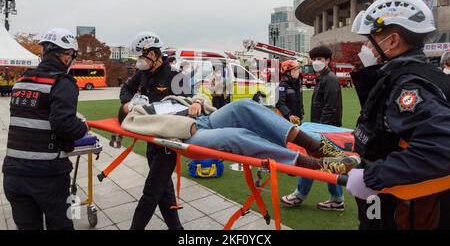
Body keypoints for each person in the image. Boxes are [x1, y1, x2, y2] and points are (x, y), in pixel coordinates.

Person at [347, 0, 450, 230]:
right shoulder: (413, 76)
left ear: (392, 41)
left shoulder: (408, 86)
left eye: (370, 38)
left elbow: (442, 148)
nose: (364, 46)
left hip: (403, 208)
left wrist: (372, 176)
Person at [119, 94, 360, 175]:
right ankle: (316, 164)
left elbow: (201, 96)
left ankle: (316, 145)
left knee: (243, 105)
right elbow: (137, 125)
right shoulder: (137, 115)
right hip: (189, 134)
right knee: (236, 135)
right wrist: (185, 125)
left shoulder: (166, 100)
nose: (134, 102)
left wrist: (195, 102)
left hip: (205, 118)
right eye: (129, 104)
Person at [2, 28, 88, 230]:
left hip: (13, 174)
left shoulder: (20, 82)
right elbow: (64, 125)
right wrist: (82, 127)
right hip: (47, 175)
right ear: (67, 56)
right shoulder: (62, 82)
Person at [120, 31, 190, 230]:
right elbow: (125, 90)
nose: (138, 62)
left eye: (141, 57)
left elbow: (187, 106)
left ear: (152, 54)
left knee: (150, 194)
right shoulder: (142, 75)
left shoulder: (176, 77)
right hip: (151, 140)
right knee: (163, 191)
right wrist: (128, 104)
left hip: (167, 142)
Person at [281, 46, 345, 211]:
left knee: (313, 161)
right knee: (325, 163)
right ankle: (336, 199)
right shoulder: (323, 77)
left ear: (328, 61)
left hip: (324, 130)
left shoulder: (329, 79)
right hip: (322, 128)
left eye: (320, 59)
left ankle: (301, 194)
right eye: (314, 59)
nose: (316, 62)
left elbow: (331, 108)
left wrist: (319, 130)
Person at [276, 60, 304, 125]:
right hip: (286, 120)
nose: (298, 71)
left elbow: (300, 100)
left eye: (298, 69)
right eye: (295, 69)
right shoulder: (282, 85)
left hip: (297, 119)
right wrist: (290, 115)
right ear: (287, 72)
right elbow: (279, 103)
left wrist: (301, 113)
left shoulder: (298, 83)